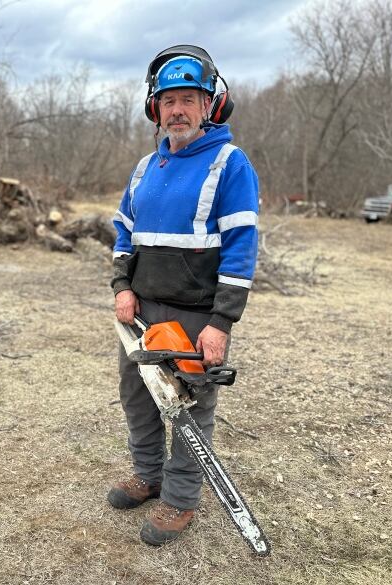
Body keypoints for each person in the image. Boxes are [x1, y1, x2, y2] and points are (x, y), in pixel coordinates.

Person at [108, 45, 259, 546]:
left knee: (191, 409)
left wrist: (222, 323)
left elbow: (241, 248)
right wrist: (121, 286)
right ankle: (148, 476)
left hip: (198, 316)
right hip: (142, 312)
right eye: (168, 99)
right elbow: (124, 232)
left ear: (210, 105)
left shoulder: (230, 164)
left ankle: (180, 498)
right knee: (139, 399)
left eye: (188, 99)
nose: (177, 110)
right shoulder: (144, 166)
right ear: (156, 108)